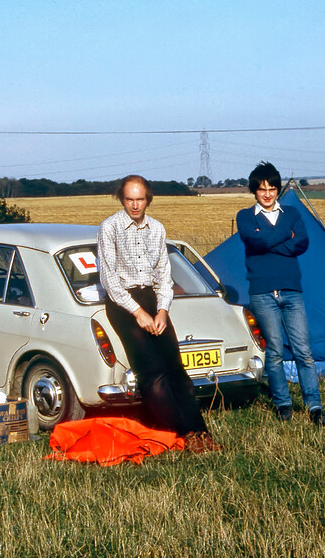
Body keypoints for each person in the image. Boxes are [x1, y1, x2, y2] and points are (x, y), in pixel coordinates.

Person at [97, 175, 223, 452]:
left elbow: (164, 276)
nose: (134, 205)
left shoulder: (157, 229)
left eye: (139, 199)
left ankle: (200, 432)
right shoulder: (110, 228)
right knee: (153, 374)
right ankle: (179, 436)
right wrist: (138, 313)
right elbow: (109, 279)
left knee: (176, 371)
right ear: (122, 199)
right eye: (129, 199)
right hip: (122, 303)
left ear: (148, 199)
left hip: (152, 299)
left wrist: (163, 311)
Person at [236, 162, 325, 428]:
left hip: (292, 292)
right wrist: (282, 237)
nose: (267, 194)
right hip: (262, 293)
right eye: (261, 189)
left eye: (272, 188)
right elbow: (255, 242)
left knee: (304, 352)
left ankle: (314, 406)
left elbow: (301, 243)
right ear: (254, 191)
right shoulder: (245, 217)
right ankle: (283, 405)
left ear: (278, 189)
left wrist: (267, 241)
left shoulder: (291, 212)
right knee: (276, 352)